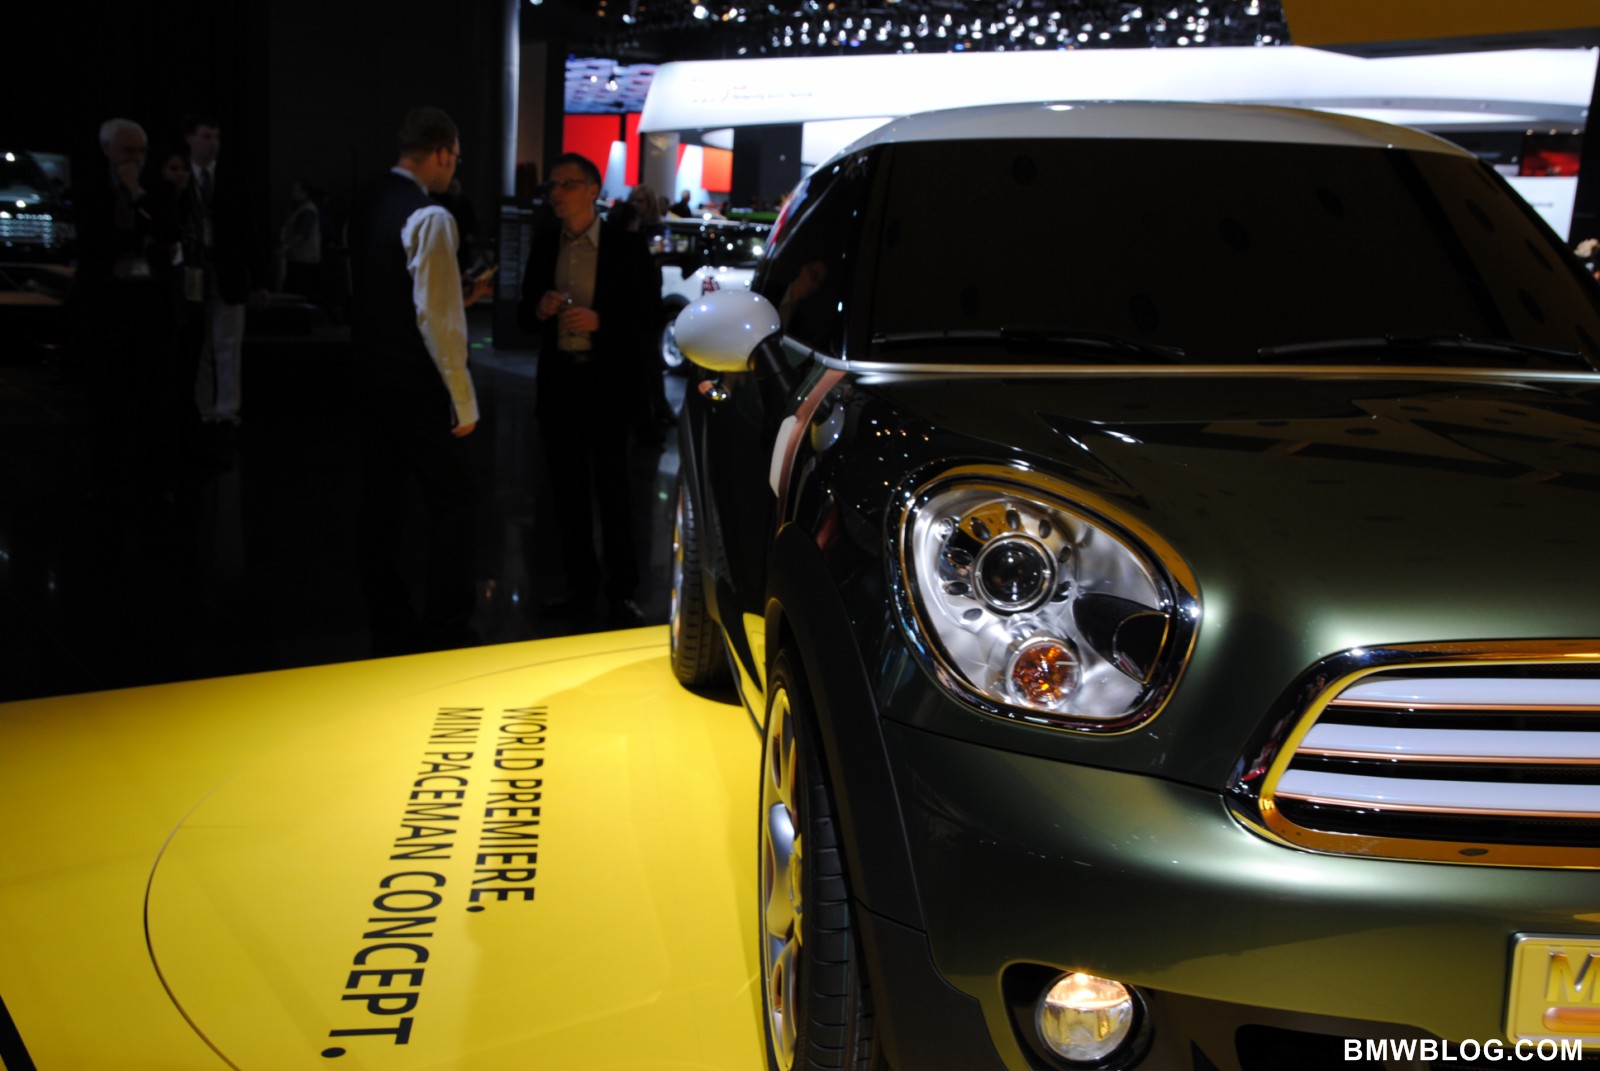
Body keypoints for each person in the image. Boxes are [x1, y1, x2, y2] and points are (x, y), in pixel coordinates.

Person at [348, 106, 491, 654]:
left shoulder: (367, 202)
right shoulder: (430, 216)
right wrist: (463, 400)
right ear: (442, 153)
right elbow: (438, 320)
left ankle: (389, 619)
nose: (454, 169)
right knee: (456, 502)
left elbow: (375, 291)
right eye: (455, 159)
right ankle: (447, 626)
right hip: (418, 385)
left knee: (380, 505)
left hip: (371, 377)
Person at [520, 152, 659, 627]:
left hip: (607, 385)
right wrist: (539, 309)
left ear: (593, 191)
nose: (556, 193)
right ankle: (580, 586)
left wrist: (601, 321)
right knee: (567, 494)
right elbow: (523, 314)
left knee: (614, 491)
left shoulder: (625, 246)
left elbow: (647, 313)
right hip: (560, 382)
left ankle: (623, 589)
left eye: (567, 184)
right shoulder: (546, 243)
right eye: (552, 186)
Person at [67, 118, 182, 504]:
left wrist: (136, 193)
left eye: (142, 151)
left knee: (155, 397)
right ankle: (107, 480)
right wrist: (138, 241)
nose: (137, 158)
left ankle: (155, 480)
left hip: (151, 302)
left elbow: (168, 234)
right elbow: (94, 241)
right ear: (107, 150)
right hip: (107, 303)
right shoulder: (89, 188)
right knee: (106, 397)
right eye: (129, 150)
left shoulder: (156, 189)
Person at [184, 112, 270, 430]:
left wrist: (259, 280)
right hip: (192, 274)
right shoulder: (182, 178)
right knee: (200, 346)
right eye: (206, 136)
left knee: (228, 345)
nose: (213, 144)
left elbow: (249, 232)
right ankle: (203, 409)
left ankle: (227, 412)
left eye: (216, 137)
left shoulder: (231, 181)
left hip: (228, 274)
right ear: (190, 139)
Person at [279, 178, 322, 298]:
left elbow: (302, 234)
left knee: (297, 293)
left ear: (304, 193)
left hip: (303, 260)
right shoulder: (300, 209)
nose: (292, 193)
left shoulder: (307, 210)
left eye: (295, 190)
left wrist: (285, 247)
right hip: (300, 258)